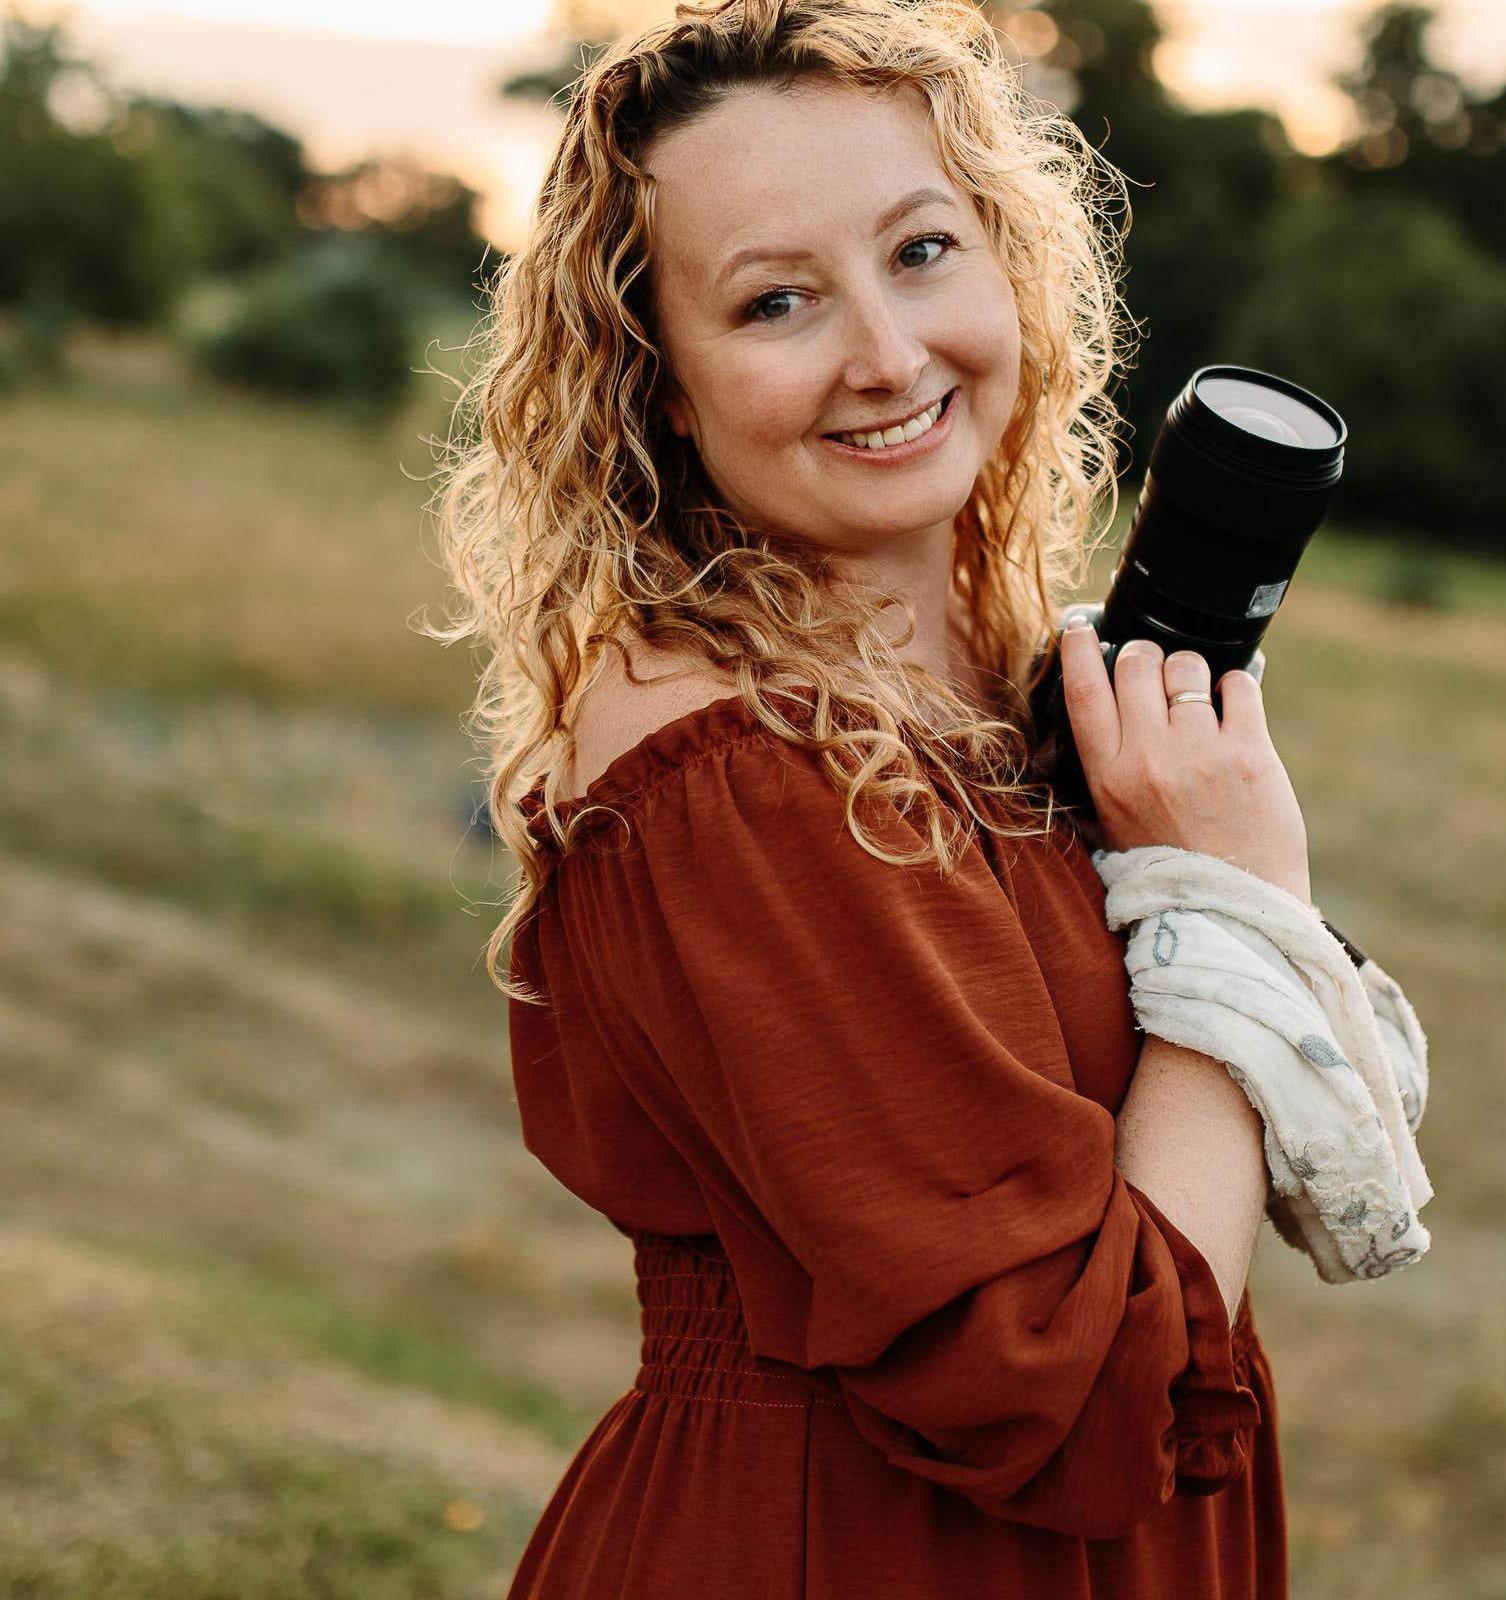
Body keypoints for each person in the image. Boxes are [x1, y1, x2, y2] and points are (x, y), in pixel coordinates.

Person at [429, 0, 1301, 1591]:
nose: (889, 356)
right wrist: (1237, 912)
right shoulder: (730, 761)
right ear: (659, 380)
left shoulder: (997, 685)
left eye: (921, 251)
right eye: (776, 301)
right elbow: (1069, 1388)